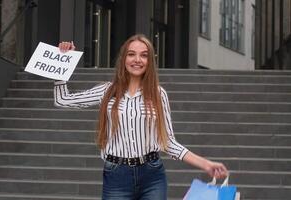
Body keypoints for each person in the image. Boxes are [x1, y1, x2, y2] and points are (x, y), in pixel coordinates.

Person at [54, 34, 228, 200]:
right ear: (123, 59)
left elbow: (167, 142)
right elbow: (62, 100)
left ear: (149, 62)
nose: (137, 60)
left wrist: (206, 164)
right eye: (131, 54)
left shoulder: (158, 94)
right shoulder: (107, 91)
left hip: (152, 175)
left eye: (143, 56)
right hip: (116, 175)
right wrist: (62, 62)